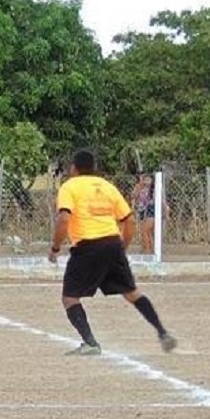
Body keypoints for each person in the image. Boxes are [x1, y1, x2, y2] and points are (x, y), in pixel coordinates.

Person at [48, 150, 177, 355]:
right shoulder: (107, 187)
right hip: (112, 243)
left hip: (87, 247)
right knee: (132, 293)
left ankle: (90, 343)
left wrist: (55, 248)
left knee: (70, 298)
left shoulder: (69, 186)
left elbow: (64, 219)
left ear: (74, 168)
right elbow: (129, 220)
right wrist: (121, 247)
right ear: (94, 167)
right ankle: (162, 332)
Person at [130, 173, 169, 254]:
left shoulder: (155, 188)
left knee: (145, 230)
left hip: (151, 210)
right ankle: (151, 250)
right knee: (147, 232)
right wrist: (139, 186)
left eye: (148, 179)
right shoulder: (139, 187)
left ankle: (147, 251)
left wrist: (166, 211)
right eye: (144, 179)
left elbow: (162, 201)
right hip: (142, 210)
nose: (146, 181)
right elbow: (133, 197)